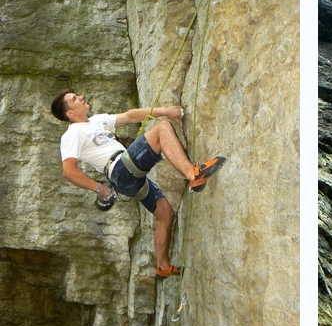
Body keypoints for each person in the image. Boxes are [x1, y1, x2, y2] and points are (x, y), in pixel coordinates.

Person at [51, 90, 225, 278]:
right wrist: (99, 189)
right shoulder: (72, 134)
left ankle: (162, 266)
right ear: (69, 113)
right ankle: (194, 174)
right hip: (119, 169)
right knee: (162, 129)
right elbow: (68, 170)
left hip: (126, 175)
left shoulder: (97, 120)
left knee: (164, 213)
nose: (82, 97)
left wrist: (164, 110)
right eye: (75, 99)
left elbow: (129, 116)